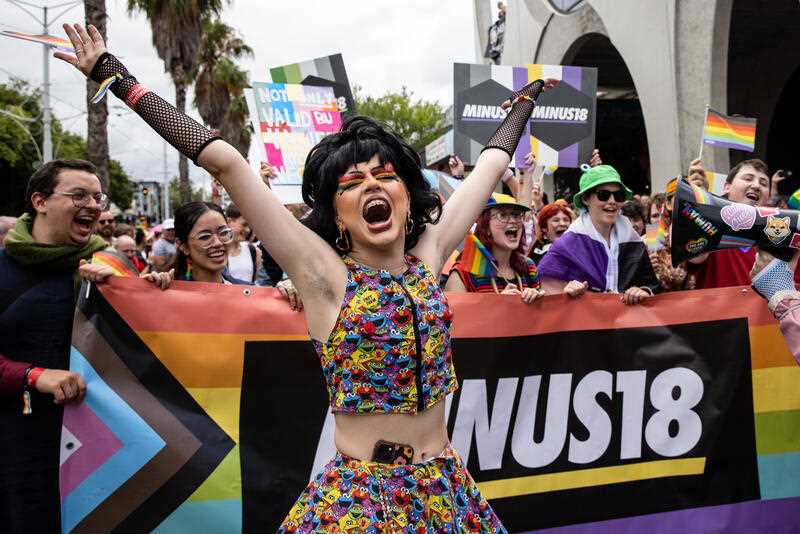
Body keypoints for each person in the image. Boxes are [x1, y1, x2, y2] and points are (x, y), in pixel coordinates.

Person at [57, 22, 556, 530]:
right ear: (337, 214)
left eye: (385, 177)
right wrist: (115, 76)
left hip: (446, 492)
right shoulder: (324, 276)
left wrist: (521, 107)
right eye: (352, 182)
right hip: (363, 502)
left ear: (407, 197)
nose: (371, 186)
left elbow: (489, 168)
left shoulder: (429, 256)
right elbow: (226, 163)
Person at [0, 159, 106, 531]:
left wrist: (145, 290)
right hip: (17, 446)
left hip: (100, 444)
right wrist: (32, 375)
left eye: (97, 197)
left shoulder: (108, 267)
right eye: (78, 195)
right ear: (40, 201)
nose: (92, 205)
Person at [537, 165, 660, 304]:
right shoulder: (567, 244)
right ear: (585, 199)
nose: (612, 201)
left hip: (628, 323)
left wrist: (644, 291)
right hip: (588, 324)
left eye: (618, 195)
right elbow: (548, 297)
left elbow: (651, 285)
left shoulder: (633, 240)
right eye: (604, 195)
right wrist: (567, 292)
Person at [686, 158, 800, 288]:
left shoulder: (782, 235)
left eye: (763, 183)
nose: (756, 185)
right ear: (726, 187)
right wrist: (700, 199)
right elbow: (695, 254)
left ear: (768, 196)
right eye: (748, 178)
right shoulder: (711, 227)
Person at [445, 193, 544, 303]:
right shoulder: (463, 273)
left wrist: (537, 299)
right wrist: (497, 304)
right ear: (486, 227)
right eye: (502, 215)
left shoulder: (528, 266)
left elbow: (542, 316)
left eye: (516, 215)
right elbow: (457, 318)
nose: (512, 221)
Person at [225, 203, 261, 284]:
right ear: (229, 222)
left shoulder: (253, 251)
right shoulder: (218, 252)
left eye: (249, 226)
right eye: (244, 224)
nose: (248, 230)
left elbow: (254, 284)